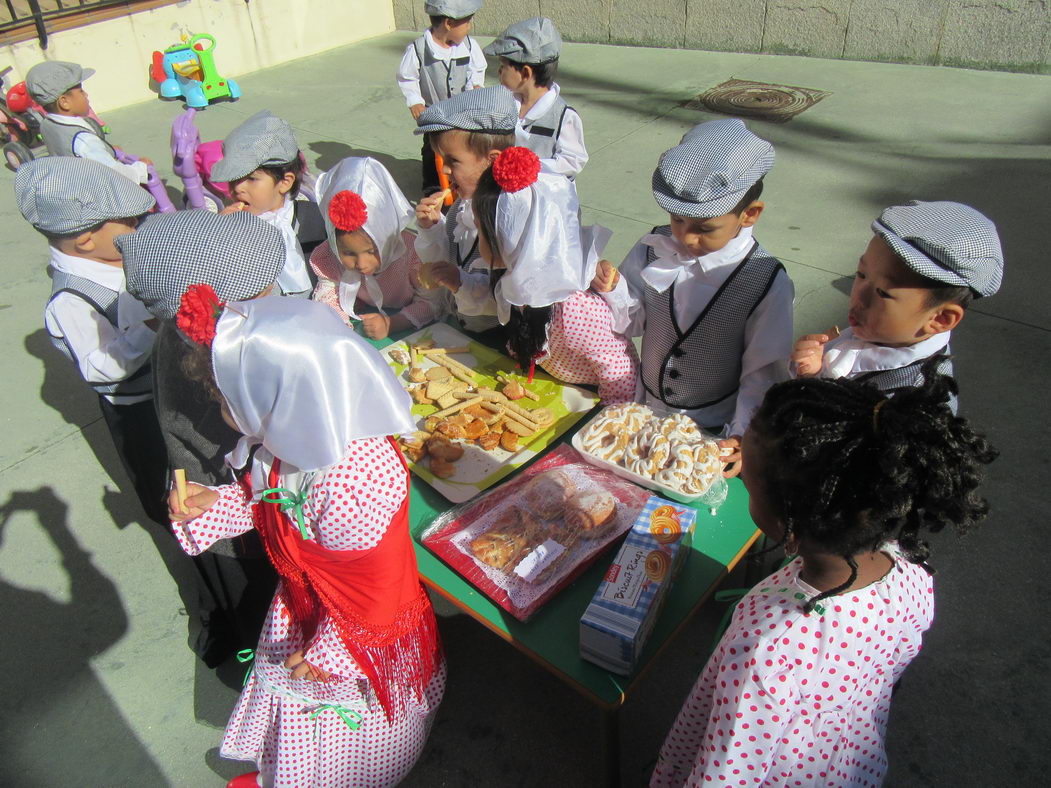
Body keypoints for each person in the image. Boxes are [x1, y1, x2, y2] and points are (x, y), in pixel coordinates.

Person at [651, 369, 998, 786]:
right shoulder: (911, 573)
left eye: (750, 479)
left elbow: (725, 774)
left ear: (789, 527)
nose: (743, 476)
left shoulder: (766, 653)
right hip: (846, 759)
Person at [168, 295, 445, 788]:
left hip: (355, 629)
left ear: (276, 395)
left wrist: (327, 655)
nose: (221, 412)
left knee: (343, 723)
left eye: (224, 401)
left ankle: (351, 776)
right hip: (309, 601)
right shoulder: (287, 440)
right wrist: (215, 504)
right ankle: (299, 771)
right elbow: (267, 502)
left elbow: (375, 588)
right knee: (303, 716)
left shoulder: (353, 483)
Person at [118, 210, 285, 667]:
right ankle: (262, 667)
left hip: (213, 490)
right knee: (258, 601)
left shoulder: (190, 335)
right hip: (223, 498)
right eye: (260, 292)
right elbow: (265, 440)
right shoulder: (214, 364)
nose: (273, 295)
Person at [592, 119, 794, 477]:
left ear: (749, 214)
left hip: (712, 427)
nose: (686, 237)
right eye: (677, 220)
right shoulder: (653, 247)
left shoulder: (766, 281)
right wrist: (614, 289)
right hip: (646, 411)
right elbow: (635, 320)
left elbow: (761, 375)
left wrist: (741, 433)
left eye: (705, 228)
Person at [14, 156, 166, 524]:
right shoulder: (70, 301)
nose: (139, 224)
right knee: (168, 492)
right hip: (141, 412)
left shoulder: (115, 247)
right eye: (130, 221)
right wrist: (149, 328)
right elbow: (100, 367)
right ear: (84, 239)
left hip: (169, 388)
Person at [791, 200, 1004, 413]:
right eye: (861, 274)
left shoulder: (918, 403)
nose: (859, 297)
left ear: (940, 319)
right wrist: (811, 373)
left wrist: (813, 388)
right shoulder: (880, 334)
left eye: (883, 292)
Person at [471, 146, 637, 401]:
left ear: (513, 238)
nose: (476, 236)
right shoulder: (516, 278)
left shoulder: (574, 310)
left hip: (591, 397)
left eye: (480, 229)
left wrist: (609, 421)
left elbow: (618, 369)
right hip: (549, 380)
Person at [413, 85, 518, 347]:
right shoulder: (461, 207)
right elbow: (443, 259)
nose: (445, 170)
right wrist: (431, 229)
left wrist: (461, 282)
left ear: (492, 161)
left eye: (453, 161)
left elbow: (504, 295)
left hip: (498, 336)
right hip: (460, 324)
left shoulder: (505, 220)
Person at [310, 157, 442, 339]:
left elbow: (432, 302)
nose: (362, 264)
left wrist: (392, 324)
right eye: (348, 253)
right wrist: (340, 325)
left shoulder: (413, 254)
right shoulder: (330, 257)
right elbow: (328, 294)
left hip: (410, 329)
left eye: (371, 251)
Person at [210, 110, 326, 298]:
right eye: (233, 179)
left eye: (251, 179)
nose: (238, 188)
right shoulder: (230, 227)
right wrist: (218, 234)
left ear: (285, 182)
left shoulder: (316, 221)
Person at [397, 0, 487, 195]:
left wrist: (475, 85)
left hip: (463, 114)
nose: (469, 28)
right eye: (467, 22)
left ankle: (463, 184)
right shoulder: (419, 50)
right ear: (449, 23)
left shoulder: (469, 46)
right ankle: (433, 187)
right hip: (435, 113)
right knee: (432, 150)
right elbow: (407, 77)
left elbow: (477, 69)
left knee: (465, 148)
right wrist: (415, 101)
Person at [484, 16, 588, 178]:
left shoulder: (563, 116)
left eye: (503, 66)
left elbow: (573, 160)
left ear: (525, 73)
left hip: (546, 199)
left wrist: (530, 166)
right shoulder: (503, 105)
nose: (499, 72)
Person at [26, 60, 152, 185]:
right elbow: (115, 173)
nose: (86, 94)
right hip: (103, 194)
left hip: (77, 184)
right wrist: (140, 169)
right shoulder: (85, 141)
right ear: (64, 102)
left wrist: (106, 151)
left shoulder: (47, 124)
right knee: (149, 199)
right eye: (81, 91)